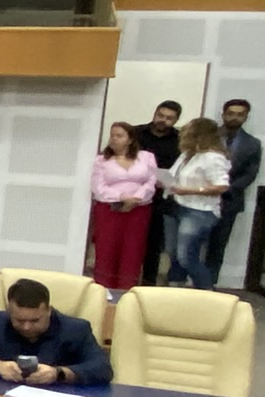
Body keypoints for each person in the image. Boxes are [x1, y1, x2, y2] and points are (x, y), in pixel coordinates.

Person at [161, 116, 229, 291]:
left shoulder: (213, 157)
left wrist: (190, 190)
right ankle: (176, 284)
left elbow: (221, 185)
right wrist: (163, 180)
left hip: (199, 211)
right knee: (172, 251)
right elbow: (174, 175)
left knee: (186, 256)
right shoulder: (187, 155)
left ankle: (207, 289)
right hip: (177, 205)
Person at [88, 120, 157, 292]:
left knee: (132, 250)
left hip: (138, 210)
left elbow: (151, 181)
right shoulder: (102, 160)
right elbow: (98, 187)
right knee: (107, 249)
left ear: (130, 139)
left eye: (119, 136)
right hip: (110, 210)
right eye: (112, 135)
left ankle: (127, 290)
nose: (114, 139)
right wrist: (121, 197)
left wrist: (136, 198)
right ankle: (104, 290)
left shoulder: (146, 157)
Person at [209, 99, 261, 279]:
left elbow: (250, 174)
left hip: (229, 201)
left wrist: (225, 188)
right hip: (200, 197)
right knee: (190, 244)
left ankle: (209, 284)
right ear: (223, 115)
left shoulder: (252, 143)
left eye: (240, 114)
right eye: (230, 113)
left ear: (246, 117)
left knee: (218, 245)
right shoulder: (208, 137)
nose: (234, 118)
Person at [135, 100, 182, 285]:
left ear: (176, 120)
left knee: (154, 242)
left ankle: (148, 281)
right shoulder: (136, 133)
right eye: (160, 115)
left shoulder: (180, 139)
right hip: (134, 193)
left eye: (169, 118)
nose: (163, 120)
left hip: (162, 198)